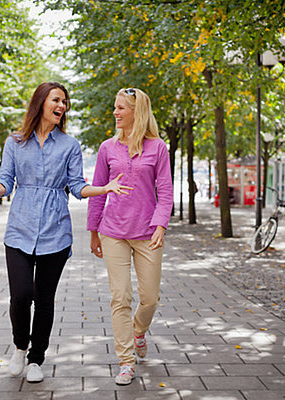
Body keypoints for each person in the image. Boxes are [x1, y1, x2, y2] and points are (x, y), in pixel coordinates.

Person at [0, 82, 133, 383]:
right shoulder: (14, 142)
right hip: (19, 230)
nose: (62, 106)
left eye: (65, 101)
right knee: (21, 295)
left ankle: (37, 358)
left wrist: (104, 188)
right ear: (40, 102)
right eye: (56, 100)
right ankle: (19, 346)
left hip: (56, 232)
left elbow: (77, 186)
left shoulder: (69, 145)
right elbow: (6, 182)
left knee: (45, 299)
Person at [87, 88, 173, 386]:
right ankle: (126, 361)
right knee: (120, 297)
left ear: (137, 112)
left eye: (121, 108)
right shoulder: (107, 148)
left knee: (149, 298)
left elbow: (165, 191)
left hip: (148, 232)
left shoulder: (157, 147)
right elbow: (98, 191)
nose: (115, 112)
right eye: (115, 107)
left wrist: (161, 224)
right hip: (113, 232)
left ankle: (139, 331)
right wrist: (93, 230)